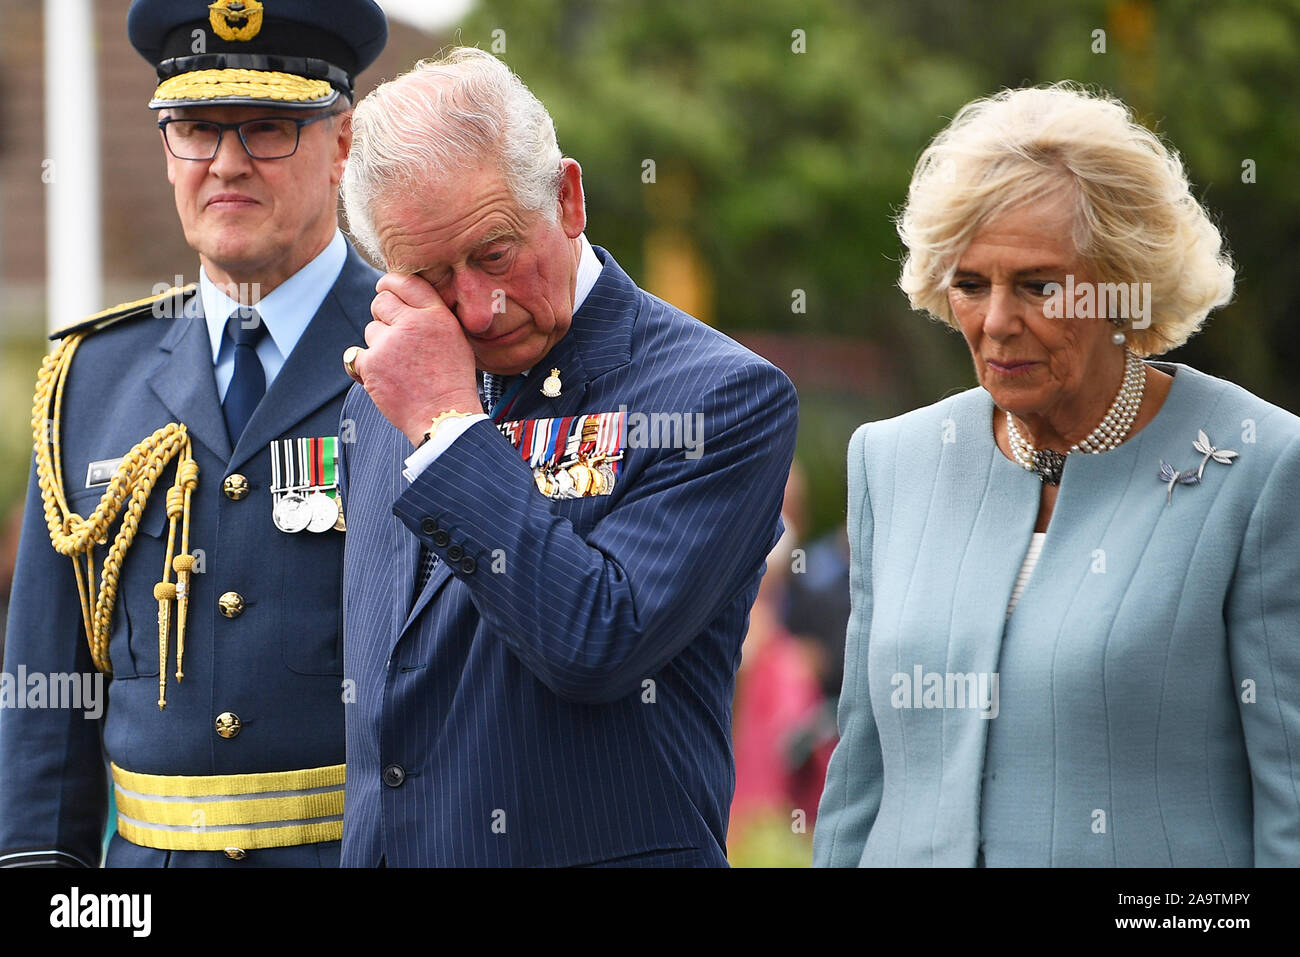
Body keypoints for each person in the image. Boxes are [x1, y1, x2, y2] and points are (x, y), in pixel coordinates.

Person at [814, 84, 1300, 867]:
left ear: (1125, 282)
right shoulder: (890, 461)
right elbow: (861, 776)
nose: (998, 321)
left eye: (1039, 285)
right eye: (971, 284)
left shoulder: (1262, 467)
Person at [336, 48, 799, 867]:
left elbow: (595, 644)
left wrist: (449, 425)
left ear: (569, 198)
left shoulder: (719, 397)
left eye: (495, 252)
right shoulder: (381, 397)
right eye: (432, 276)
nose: (479, 308)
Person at [0, 0, 388, 868]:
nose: (227, 164)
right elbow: (47, 718)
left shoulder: (425, 351)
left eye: (268, 128)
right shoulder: (88, 380)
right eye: (196, 128)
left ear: (343, 142)